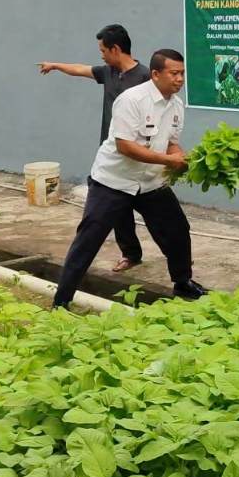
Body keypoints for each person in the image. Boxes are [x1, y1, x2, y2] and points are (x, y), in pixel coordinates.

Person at [53, 49, 208, 308]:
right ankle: (61, 302)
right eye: (174, 73)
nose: (180, 79)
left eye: (182, 74)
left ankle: (183, 283)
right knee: (88, 240)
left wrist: (181, 159)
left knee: (178, 230)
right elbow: (125, 147)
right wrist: (170, 160)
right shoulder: (131, 100)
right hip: (114, 181)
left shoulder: (176, 106)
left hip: (150, 182)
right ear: (156, 74)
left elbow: (171, 143)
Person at [38, 24, 149, 273]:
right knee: (118, 208)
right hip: (112, 153)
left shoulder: (144, 77)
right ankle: (131, 253)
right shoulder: (109, 72)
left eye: (102, 50)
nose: (100, 55)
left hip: (139, 154)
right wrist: (55, 65)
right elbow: (80, 69)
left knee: (151, 207)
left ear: (115, 48)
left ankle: (178, 259)